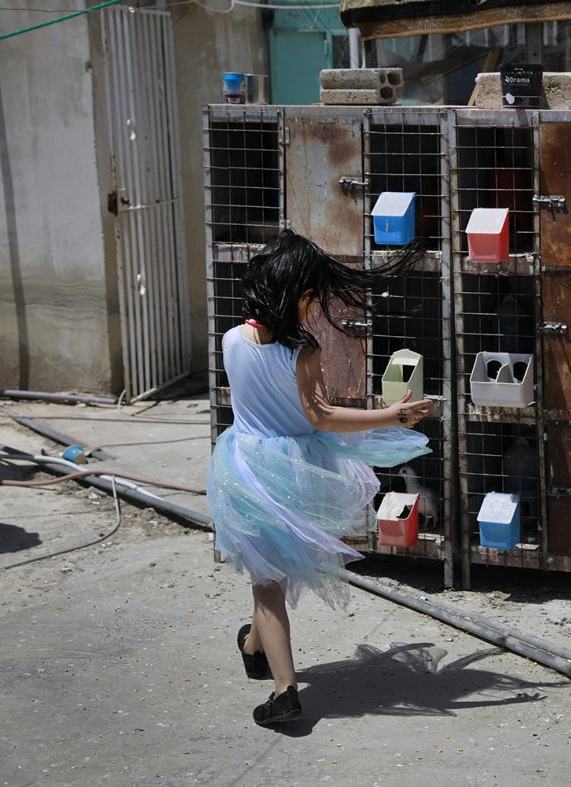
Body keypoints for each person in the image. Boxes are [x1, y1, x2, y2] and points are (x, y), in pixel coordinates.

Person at [207, 230, 433, 727]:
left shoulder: (229, 340)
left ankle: (253, 645)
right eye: (312, 294)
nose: (315, 304)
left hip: (243, 464)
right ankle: (286, 692)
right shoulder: (302, 351)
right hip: (291, 471)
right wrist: (390, 416)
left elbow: (263, 404)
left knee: (264, 575)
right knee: (268, 579)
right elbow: (321, 417)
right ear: (296, 294)